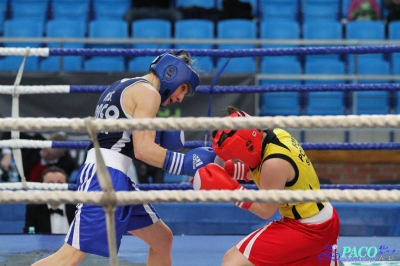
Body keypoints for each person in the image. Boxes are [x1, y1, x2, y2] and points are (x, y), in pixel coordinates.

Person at [32, 50, 217, 266]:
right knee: (70, 256)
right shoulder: (149, 94)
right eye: (183, 88)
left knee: (162, 239)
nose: (179, 97)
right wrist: (187, 164)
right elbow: (143, 150)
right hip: (105, 179)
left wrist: (158, 135)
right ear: (171, 73)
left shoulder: (122, 85)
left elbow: (120, 137)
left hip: (114, 176)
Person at [193, 106, 340, 265]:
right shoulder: (276, 135)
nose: (234, 161)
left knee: (233, 261)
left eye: (235, 157)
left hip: (307, 229)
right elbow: (258, 174)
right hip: (323, 218)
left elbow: (266, 210)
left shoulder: (274, 163)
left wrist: (231, 190)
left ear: (247, 145)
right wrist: (224, 172)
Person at [23, 166, 76, 234]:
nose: (55, 187)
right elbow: (29, 236)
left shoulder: (78, 206)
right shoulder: (34, 208)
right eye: (50, 184)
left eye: (60, 183)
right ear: (41, 187)